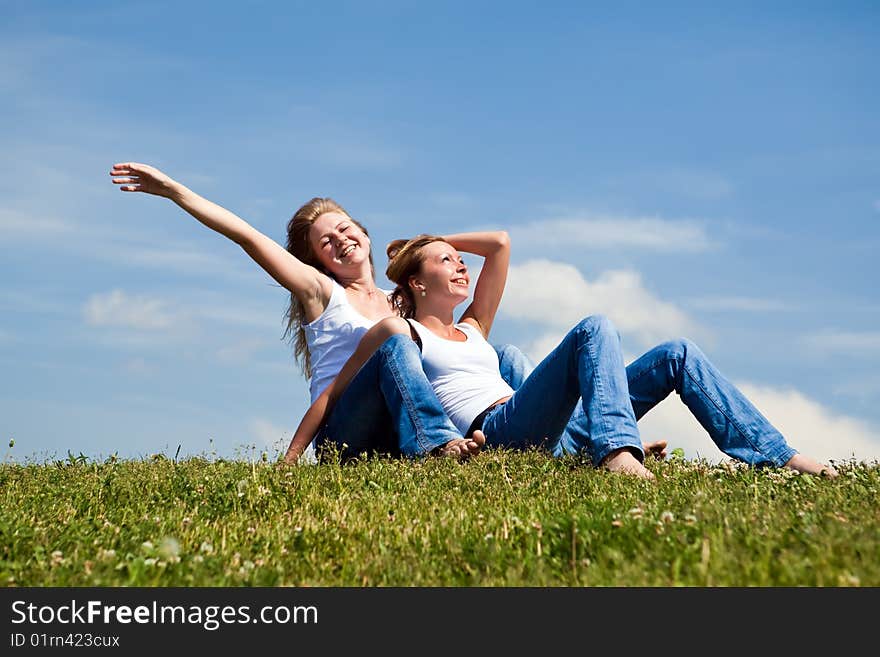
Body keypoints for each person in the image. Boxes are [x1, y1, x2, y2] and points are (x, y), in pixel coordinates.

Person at [292, 232, 840, 480]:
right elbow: (334, 394)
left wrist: (428, 238)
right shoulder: (403, 334)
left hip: (557, 425)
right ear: (415, 280)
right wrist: (292, 460)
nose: (462, 265)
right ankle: (615, 454)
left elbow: (501, 244)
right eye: (446, 260)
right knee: (594, 327)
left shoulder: (476, 329)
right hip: (505, 429)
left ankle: (776, 455)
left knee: (677, 352)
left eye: (461, 259)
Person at [109, 162, 508, 461]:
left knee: (483, 354)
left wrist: (416, 247)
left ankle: (507, 438)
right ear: (319, 262)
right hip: (345, 430)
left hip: (393, 432)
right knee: (397, 347)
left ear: (364, 233)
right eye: (326, 242)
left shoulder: (402, 302)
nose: (341, 240)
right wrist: (175, 191)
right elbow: (247, 236)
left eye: (345, 228)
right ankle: (438, 446)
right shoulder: (322, 293)